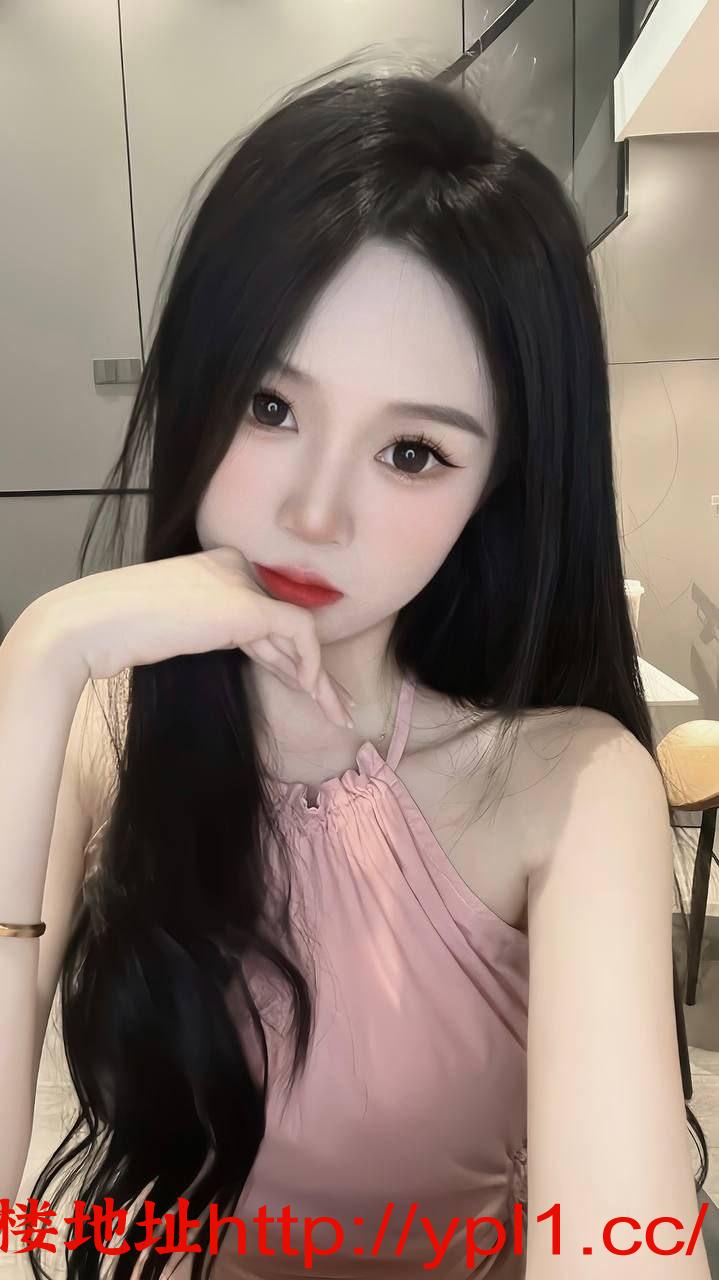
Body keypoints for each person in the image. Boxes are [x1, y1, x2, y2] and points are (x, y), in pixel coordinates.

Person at [0, 55, 711, 1280]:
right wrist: (39, 655)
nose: (313, 513)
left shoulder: (568, 785)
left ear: (493, 490)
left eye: (413, 452)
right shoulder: (94, 732)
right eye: (270, 407)